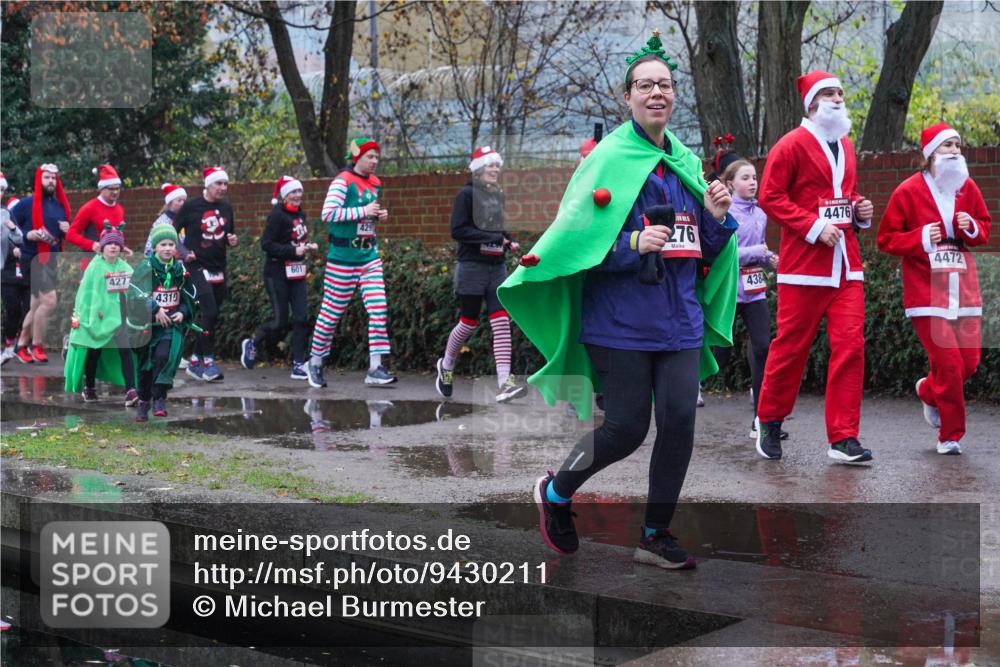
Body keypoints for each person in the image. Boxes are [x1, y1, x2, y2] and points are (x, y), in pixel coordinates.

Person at [498, 32, 738, 568]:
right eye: (646, 85)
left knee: (679, 422)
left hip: (679, 320)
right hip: (620, 322)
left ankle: (655, 535)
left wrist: (718, 220)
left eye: (666, 85)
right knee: (625, 429)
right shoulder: (606, 160)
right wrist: (631, 244)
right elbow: (572, 243)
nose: (658, 93)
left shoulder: (686, 162)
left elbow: (700, 249)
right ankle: (556, 491)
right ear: (626, 97)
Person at [753, 70, 875, 464]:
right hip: (803, 268)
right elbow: (770, 196)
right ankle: (769, 420)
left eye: (840, 91)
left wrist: (858, 211)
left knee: (851, 347)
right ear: (810, 103)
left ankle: (843, 437)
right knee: (791, 348)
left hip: (846, 267)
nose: (837, 98)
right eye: (828, 93)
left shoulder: (847, 146)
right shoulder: (790, 145)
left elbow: (843, 196)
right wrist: (812, 225)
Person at [876, 123, 991, 455]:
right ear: (928, 155)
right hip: (927, 293)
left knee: (968, 363)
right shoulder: (908, 191)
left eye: (957, 144)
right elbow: (886, 239)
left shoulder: (967, 187)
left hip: (964, 289)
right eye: (946, 146)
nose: (955, 150)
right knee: (951, 364)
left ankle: (928, 390)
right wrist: (922, 238)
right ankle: (950, 435)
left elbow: (984, 228)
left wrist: (971, 228)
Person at [434, 146, 526, 403]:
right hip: (472, 267)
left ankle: (504, 383)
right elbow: (458, 231)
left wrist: (507, 239)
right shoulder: (466, 195)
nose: (494, 170)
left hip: (496, 267)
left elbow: (498, 229)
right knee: (468, 323)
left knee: (501, 322)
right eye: (489, 166)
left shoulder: (498, 195)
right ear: (477, 169)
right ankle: (447, 364)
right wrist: (493, 237)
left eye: (497, 165)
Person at [306, 138, 397, 389]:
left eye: (377, 157)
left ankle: (376, 367)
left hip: (369, 257)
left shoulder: (375, 183)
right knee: (331, 313)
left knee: (378, 308)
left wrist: (378, 216)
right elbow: (328, 214)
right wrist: (363, 211)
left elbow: (366, 217)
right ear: (356, 157)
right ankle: (314, 362)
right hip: (342, 259)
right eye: (370, 156)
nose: (375, 161)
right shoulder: (342, 181)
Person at [708, 149, 785, 440]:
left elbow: (760, 248)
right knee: (720, 351)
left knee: (764, 347)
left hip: (754, 291)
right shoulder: (722, 213)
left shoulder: (762, 214)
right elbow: (723, 255)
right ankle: (687, 391)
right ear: (729, 184)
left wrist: (769, 259)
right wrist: (758, 252)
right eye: (745, 178)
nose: (753, 183)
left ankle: (759, 417)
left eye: (755, 177)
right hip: (728, 290)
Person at [240, 176, 318, 379]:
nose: (297, 196)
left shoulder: (300, 215)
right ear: (284, 196)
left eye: (300, 192)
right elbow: (266, 244)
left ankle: (299, 364)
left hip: (297, 274)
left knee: (301, 318)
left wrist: (307, 247)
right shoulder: (277, 216)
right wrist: (294, 251)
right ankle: (253, 343)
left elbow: (296, 241)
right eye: (293, 192)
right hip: (277, 275)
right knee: (280, 321)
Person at [126, 225, 197, 421]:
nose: (167, 248)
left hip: (170, 326)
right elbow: (135, 292)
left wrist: (182, 312)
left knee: (164, 357)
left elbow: (189, 296)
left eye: (171, 244)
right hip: (146, 327)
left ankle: (159, 398)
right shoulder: (146, 267)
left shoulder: (179, 269)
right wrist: (154, 309)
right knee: (145, 366)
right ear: (155, 247)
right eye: (163, 244)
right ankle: (143, 402)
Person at [174, 166, 237, 382]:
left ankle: (194, 361)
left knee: (214, 314)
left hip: (218, 267)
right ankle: (208, 361)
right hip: (196, 266)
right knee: (209, 311)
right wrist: (182, 252)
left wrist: (232, 240)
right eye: (218, 183)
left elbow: (229, 233)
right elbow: (171, 231)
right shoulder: (191, 206)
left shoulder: (227, 207)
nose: (222, 188)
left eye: (225, 184)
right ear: (207, 185)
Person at [63, 227, 138, 406]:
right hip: (96, 320)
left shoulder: (124, 267)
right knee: (93, 353)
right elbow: (85, 295)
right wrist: (83, 318)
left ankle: (131, 389)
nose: (113, 247)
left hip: (118, 320)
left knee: (126, 351)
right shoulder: (94, 267)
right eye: (109, 244)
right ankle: (89, 387)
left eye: (117, 244)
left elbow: (134, 291)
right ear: (102, 248)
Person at [9, 164, 71, 364]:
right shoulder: (27, 204)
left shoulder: (60, 205)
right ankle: (37, 345)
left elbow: (65, 234)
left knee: (35, 306)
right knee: (50, 301)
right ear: (39, 180)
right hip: (32, 258)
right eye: (47, 178)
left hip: (51, 259)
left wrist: (66, 229)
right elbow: (7, 222)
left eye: (54, 178)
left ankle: (20, 346)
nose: (51, 181)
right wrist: (26, 235)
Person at [66, 164, 131, 259]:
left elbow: (114, 237)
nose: (115, 192)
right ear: (101, 188)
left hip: (112, 264)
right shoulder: (89, 208)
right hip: (91, 262)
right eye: (111, 189)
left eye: (117, 188)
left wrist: (122, 248)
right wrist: (92, 245)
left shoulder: (119, 209)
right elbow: (71, 235)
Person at [1, 175, 26, 366]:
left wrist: (14, 231)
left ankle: (8, 347)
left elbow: (18, 238)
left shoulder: (5, 213)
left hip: (4, 269)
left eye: (2, 190)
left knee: (14, 309)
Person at [144, 183, 189, 258]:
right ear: (170, 203)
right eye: (179, 200)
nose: (183, 203)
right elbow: (149, 250)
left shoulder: (186, 218)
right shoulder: (162, 222)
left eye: (184, 200)